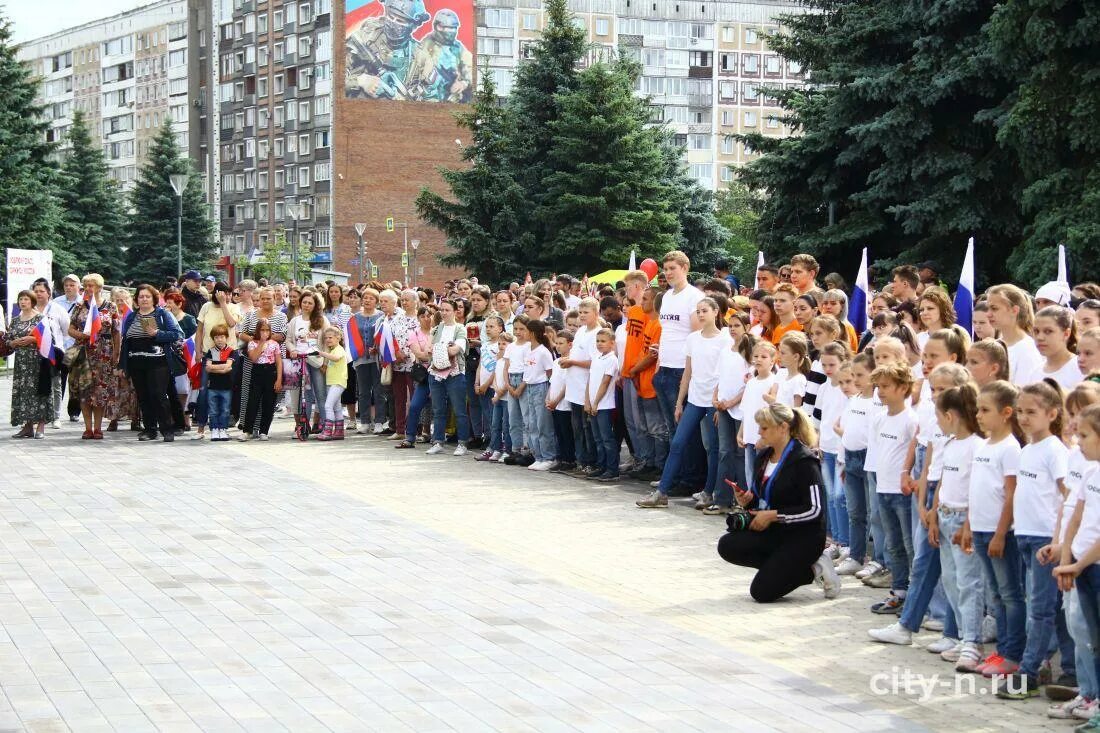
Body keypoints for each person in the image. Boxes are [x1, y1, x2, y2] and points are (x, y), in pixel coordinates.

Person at [716, 403, 838, 602]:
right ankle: (781, 569)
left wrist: (774, 515)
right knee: (727, 545)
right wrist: (748, 501)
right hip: (775, 530)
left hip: (803, 536)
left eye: (764, 428)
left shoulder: (804, 461)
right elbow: (763, 498)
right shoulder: (763, 457)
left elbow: (815, 510)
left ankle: (814, 568)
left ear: (782, 428)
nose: (759, 432)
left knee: (761, 593)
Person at [996, 380, 1071, 700]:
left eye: (1032, 412)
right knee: (1050, 608)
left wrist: (1059, 539)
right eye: (1022, 412)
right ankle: (1067, 667)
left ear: (1053, 414)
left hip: (1045, 540)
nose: (1024, 418)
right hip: (1025, 535)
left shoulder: (1055, 450)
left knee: (1040, 609)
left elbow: (1068, 497)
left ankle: (1028, 673)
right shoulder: (1026, 449)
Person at [637, 297, 729, 507]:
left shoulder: (725, 339)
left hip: (713, 401)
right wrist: (679, 402)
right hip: (695, 398)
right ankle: (662, 492)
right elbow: (687, 372)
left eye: (705, 310)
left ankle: (708, 491)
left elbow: (726, 372)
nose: (701, 314)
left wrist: (719, 402)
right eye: (698, 311)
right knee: (678, 442)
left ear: (716, 312)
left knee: (712, 447)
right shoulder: (693, 339)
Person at [964, 381, 1026, 679]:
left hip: (1001, 532)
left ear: (1006, 413)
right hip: (980, 528)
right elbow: (976, 490)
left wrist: (1001, 533)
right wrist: (968, 526)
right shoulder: (984, 444)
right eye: (978, 409)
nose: (978, 415)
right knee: (997, 597)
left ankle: (1013, 654)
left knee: (1010, 594)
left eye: (985, 410)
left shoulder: (1010, 448)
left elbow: (1011, 494)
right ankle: (1002, 650)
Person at [927, 384, 986, 672]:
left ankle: (973, 641)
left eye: (938, 415)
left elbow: (977, 489)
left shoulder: (976, 446)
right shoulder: (949, 444)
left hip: (964, 519)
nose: (936, 421)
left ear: (950, 415)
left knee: (968, 582)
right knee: (951, 579)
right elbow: (942, 483)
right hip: (946, 515)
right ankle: (963, 635)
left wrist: (970, 524)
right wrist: (935, 514)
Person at [1055, 403, 1100, 729]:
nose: (1078, 440)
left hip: (1092, 567)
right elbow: (1076, 517)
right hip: (1078, 566)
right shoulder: (1090, 471)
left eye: (1084, 435)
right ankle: (1088, 693)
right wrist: (1066, 558)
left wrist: (1079, 564)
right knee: (1081, 633)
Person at [868, 362, 918, 615]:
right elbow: (877, 452)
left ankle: (916, 595)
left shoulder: (911, 420)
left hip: (903, 493)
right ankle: (899, 592)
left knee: (910, 545)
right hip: (883, 488)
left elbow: (915, 454)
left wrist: (906, 476)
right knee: (892, 544)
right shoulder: (879, 419)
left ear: (903, 388)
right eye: (877, 386)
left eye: (886, 386)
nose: (880, 391)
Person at [117, 284, 183, 442]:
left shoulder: (162, 314)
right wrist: (122, 365)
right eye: (141, 296)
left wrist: (158, 333)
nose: (144, 299)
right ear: (136, 300)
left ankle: (167, 429)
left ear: (154, 299)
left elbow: (178, 334)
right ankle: (149, 429)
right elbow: (125, 342)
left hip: (159, 362)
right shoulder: (132, 317)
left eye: (147, 296)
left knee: (159, 395)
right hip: (137, 362)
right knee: (143, 396)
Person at [67, 274, 121, 440]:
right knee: (84, 390)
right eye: (87, 285)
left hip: (103, 351)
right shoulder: (79, 306)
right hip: (83, 351)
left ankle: (98, 428)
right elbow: (70, 328)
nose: (89, 289)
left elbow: (116, 332)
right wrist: (81, 334)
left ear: (99, 287)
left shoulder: (110, 307)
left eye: (92, 285)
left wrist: (116, 354)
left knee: (100, 390)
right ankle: (87, 428)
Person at [192, 282, 241, 440]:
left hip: (229, 355)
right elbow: (199, 331)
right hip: (209, 354)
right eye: (222, 293)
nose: (226, 296)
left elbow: (232, 323)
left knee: (226, 392)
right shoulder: (206, 307)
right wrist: (198, 351)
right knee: (205, 391)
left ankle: (223, 426)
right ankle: (201, 427)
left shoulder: (233, 307)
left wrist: (223, 304)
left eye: (228, 293)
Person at [239, 287, 288, 434]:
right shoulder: (251, 315)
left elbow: (282, 336)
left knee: (270, 395)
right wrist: (256, 340)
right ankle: (247, 426)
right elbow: (242, 333)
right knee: (250, 393)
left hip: (273, 361)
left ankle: (262, 428)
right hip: (253, 360)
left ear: (274, 299)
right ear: (259, 300)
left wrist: (265, 339)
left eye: (269, 298)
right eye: (263, 298)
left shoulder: (281, 316)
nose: (265, 301)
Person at [425, 299, 470, 456]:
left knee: (459, 409)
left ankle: (463, 443)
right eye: (442, 310)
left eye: (447, 310)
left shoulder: (460, 329)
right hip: (436, 372)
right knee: (438, 409)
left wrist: (441, 348)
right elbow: (428, 350)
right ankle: (438, 441)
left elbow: (456, 350)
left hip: (455, 373)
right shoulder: (437, 328)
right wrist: (445, 347)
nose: (443, 313)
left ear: (454, 311)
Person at [7, 290, 53, 439]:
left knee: (39, 391)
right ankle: (27, 427)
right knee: (24, 392)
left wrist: (32, 340)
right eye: (20, 299)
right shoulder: (15, 320)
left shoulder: (40, 318)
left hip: (38, 360)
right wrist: (12, 342)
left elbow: (48, 338)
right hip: (21, 362)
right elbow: (8, 339)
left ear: (32, 301)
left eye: (26, 299)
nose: (23, 302)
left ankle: (41, 426)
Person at [563, 299, 601, 476]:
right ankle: (581, 461)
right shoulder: (580, 332)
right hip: (574, 388)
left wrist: (572, 362)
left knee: (587, 429)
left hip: (587, 388)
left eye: (586, 312)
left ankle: (590, 462)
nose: (582, 316)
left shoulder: (598, 333)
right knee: (577, 428)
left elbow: (595, 362)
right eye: (581, 312)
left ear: (596, 312)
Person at [286, 291, 330, 434]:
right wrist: (293, 349)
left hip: (317, 362)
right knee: (304, 396)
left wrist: (325, 362)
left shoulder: (322, 320)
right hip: (300, 362)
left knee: (321, 394)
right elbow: (289, 340)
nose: (306, 305)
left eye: (310, 303)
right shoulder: (294, 321)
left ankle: (325, 424)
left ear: (315, 305)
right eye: (304, 302)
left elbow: (328, 343)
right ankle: (303, 425)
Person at [31, 279, 70, 429]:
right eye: (36, 291)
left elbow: (66, 331)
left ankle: (56, 416)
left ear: (48, 293)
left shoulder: (57, 309)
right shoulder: (30, 308)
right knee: (36, 384)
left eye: (42, 291)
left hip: (54, 352)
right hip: (34, 352)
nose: (39, 294)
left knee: (56, 384)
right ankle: (37, 415)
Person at [986, 284, 1042, 385]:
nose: (988, 314)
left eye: (994, 308)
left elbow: (1024, 393)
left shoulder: (1028, 350)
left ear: (1014, 310)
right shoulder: (995, 345)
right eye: (988, 308)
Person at [395, 306, 435, 449]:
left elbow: (426, 355)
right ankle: (410, 437)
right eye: (423, 316)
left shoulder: (437, 332)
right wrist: (432, 354)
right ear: (418, 318)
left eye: (429, 315)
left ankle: (438, 437)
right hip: (424, 376)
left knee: (439, 407)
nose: (426, 318)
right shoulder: (414, 334)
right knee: (414, 406)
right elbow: (419, 355)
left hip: (439, 374)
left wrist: (428, 354)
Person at [520, 319, 557, 471]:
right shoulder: (529, 349)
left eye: (525, 330)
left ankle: (549, 456)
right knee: (532, 424)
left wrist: (548, 392)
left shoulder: (543, 351)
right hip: (529, 387)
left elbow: (550, 373)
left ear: (532, 333)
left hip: (541, 387)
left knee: (543, 424)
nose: (523, 333)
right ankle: (539, 456)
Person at [239, 318, 283, 441]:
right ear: (258, 331)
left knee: (269, 403)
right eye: (262, 330)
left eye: (267, 330)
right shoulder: (253, 343)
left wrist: (279, 379)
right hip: (257, 372)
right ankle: (247, 430)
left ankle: (264, 431)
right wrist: (262, 342)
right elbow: (253, 358)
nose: (265, 332)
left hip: (270, 372)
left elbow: (279, 362)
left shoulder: (274, 344)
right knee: (253, 401)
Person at [586, 328, 620, 481]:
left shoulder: (612, 360)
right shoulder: (597, 358)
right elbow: (590, 380)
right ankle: (601, 465)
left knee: (607, 438)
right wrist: (587, 401)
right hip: (593, 404)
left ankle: (612, 469)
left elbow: (605, 382)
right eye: (598, 341)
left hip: (604, 405)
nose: (599, 344)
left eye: (603, 341)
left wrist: (596, 402)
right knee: (597, 437)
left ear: (612, 343)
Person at [546, 330, 576, 472]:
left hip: (564, 405)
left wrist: (556, 400)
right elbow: (552, 383)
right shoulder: (556, 361)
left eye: (561, 343)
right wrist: (548, 398)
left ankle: (569, 459)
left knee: (567, 433)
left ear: (570, 345)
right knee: (558, 432)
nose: (558, 346)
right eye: (556, 343)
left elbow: (567, 384)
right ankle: (562, 458)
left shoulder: (571, 362)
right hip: (555, 404)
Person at [1035, 306, 1084, 389]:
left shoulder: (1080, 368)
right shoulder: (1035, 371)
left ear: (1066, 334)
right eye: (1036, 331)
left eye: (1048, 331)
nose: (1040, 337)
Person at [314, 327, 348, 440]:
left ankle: (327, 431)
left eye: (330, 337)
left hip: (338, 382)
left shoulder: (339, 349)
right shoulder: (332, 350)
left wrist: (322, 353)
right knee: (336, 407)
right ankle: (339, 432)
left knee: (328, 406)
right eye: (326, 338)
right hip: (332, 382)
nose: (328, 340)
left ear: (338, 337)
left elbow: (336, 358)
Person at [202, 325, 235, 442]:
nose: (219, 339)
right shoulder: (211, 352)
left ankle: (223, 429)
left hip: (226, 386)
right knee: (213, 409)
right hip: (213, 386)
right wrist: (222, 367)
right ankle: (214, 429)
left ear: (226, 337)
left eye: (221, 337)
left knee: (225, 409)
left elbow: (228, 366)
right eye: (216, 337)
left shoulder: (231, 351)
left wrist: (215, 367)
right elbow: (208, 368)